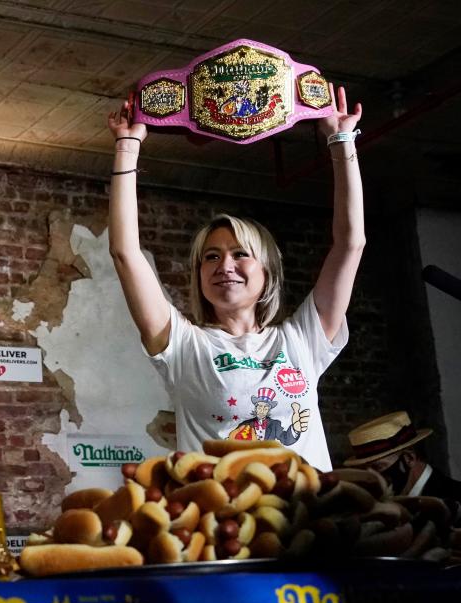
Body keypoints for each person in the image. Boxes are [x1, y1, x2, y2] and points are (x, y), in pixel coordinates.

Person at [107, 85, 363, 470]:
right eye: (211, 257)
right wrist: (127, 147)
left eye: (240, 254)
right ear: (199, 275)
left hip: (307, 524)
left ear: (267, 272)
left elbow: (350, 243)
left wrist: (341, 141)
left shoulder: (301, 339)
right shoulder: (182, 346)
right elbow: (126, 253)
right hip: (224, 525)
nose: (224, 265)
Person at [343, 410, 461, 529]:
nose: (371, 477)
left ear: (409, 458)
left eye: (378, 467)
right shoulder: (380, 507)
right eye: (365, 469)